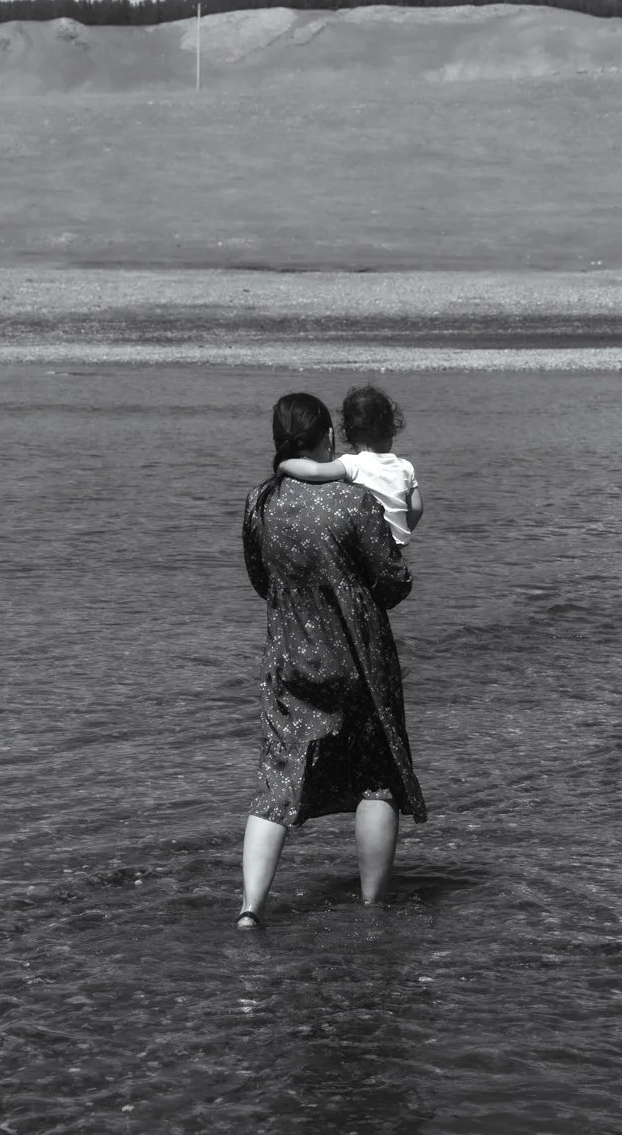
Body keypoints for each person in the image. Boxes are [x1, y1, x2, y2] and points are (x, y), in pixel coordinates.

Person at [238, 391, 427, 931]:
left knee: (276, 781)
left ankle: (252, 908)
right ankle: (372, 911)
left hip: (290, 657)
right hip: (360, 660)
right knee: (377, 779)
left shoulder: (259, 503)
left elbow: (260, 580)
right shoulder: (354, 503)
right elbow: (393, 585)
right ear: (327, 438)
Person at [274, 383, 423, 545]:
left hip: (368, 544)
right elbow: (416, 508)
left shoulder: (352, 464)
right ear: (392, 431)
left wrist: (285, 464)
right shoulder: (405, 467)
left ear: (346, 434)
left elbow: (315, 471)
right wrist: (402, 531)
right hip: (398, 542)